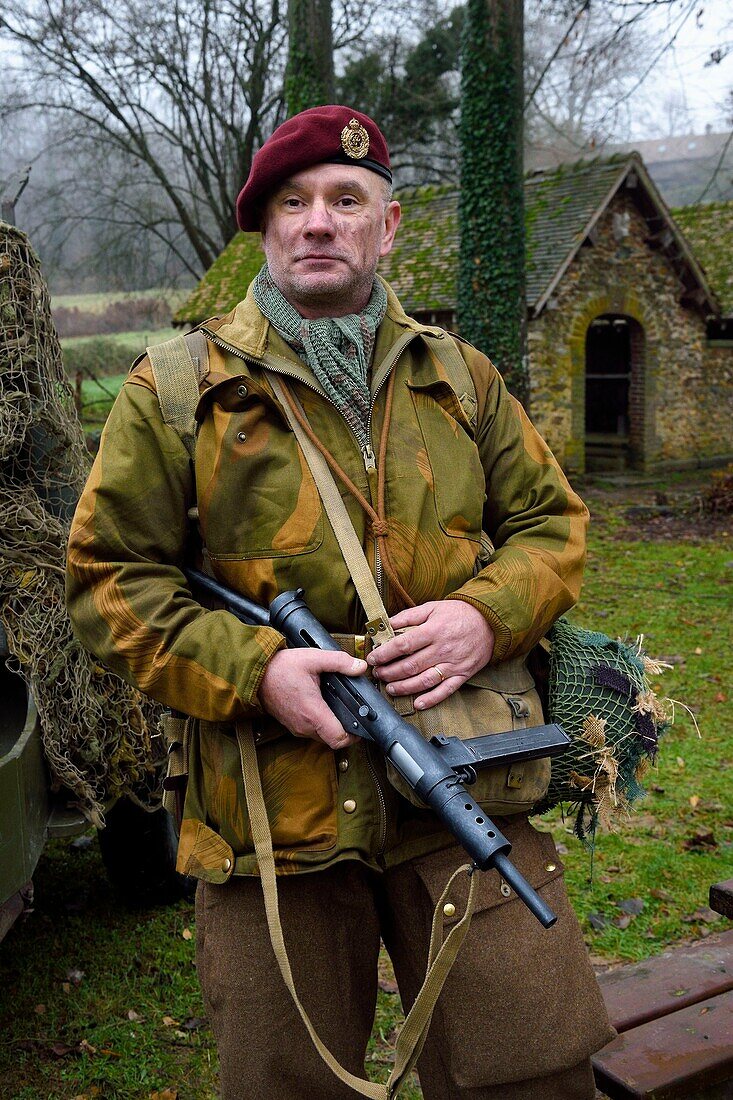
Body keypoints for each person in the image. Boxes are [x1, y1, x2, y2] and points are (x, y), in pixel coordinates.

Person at [66, 105, 614, 1099]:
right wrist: (257, 668)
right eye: (293, 201)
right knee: (283, 1080)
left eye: (346, 200)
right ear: (264, 230)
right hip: (274, 814)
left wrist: (483, 613)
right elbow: (109, 577)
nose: (318, 221)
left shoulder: (461, 378)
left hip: (459, 786)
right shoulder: (177, 391)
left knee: (535, 1065)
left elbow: (552, 524)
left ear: (388, 224)